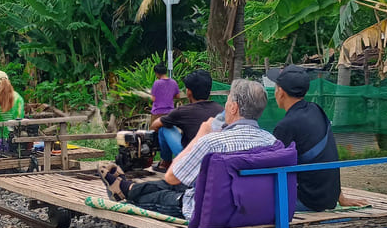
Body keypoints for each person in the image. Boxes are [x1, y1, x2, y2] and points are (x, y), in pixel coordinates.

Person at [99, 79, 276, 219]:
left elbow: (171, 176)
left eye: (228, 100)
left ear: (233, 107)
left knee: (163, 194)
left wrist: (202, 133)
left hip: (209, 209)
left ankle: (126, 191)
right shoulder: (272, 141)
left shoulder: (212, 142)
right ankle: (126, 187)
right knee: (176, 186)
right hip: (250, 205)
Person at [267, 64, 367, 210]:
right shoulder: (316, 110)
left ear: (281, 92)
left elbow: (272, 164)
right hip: (329, 198)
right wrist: (340, 196)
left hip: (308, 201)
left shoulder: (286, 125)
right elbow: (328, 154)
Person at [150, 69, 224, 173]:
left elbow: (154, 125)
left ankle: (165, 163)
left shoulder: (183, 111)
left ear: (189, 92)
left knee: (163, 128)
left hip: (190, 158)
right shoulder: (221, 110)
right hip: (215, 158)